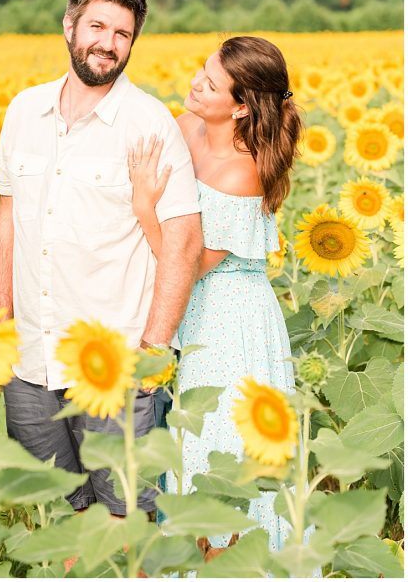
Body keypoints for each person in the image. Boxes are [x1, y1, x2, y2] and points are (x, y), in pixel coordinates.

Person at [0, 0, 203, 522]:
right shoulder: (24, 111)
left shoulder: (149, 123)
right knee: (60, 514)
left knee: (124, 512)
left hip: (115, 364)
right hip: (30, 359)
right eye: (98, 26)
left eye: (123, 34)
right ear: (70, 26)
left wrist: (152, 352)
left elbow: (183, 245)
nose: (108, 43)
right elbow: (8, 215)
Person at [128, 36, 303, 552]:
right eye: (200, 71)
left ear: (243, 105)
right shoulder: (186, 128)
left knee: (215, 448)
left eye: (210, 83)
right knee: (182, 441)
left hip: (230, 319)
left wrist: (144, 208)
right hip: (191, 310)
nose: (194, 84)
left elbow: (190, 265)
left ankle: (233, 559)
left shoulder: (242, 170)